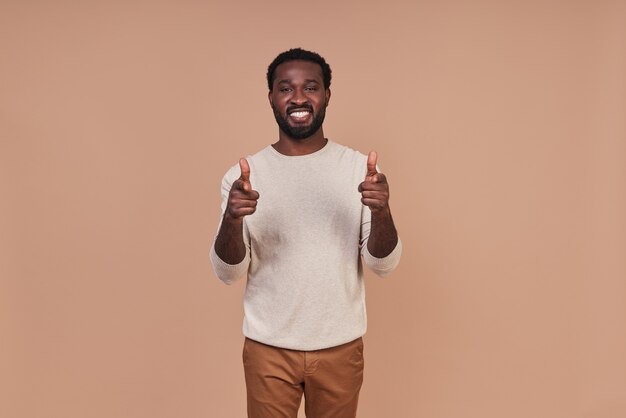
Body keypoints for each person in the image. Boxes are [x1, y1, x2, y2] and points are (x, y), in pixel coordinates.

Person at [209, 48, 402, 418]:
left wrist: (382, 210)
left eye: (310, 87)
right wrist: (232, 219)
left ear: (327, 94)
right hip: (269, 349)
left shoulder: (359, 169)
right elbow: (228, 273)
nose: (298, 97)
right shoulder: (242, 178)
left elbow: (383, 265)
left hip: (340, 347)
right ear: (271, 98)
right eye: (286, 88)